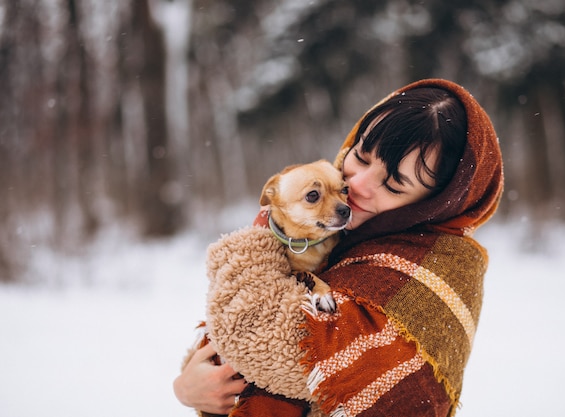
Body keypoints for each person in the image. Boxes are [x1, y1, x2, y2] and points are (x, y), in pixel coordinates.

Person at [174, 78, 504, 417]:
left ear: (435, 205)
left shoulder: (436, 271)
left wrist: (252, 246)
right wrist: (189, 386)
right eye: (360, 157)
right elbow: (225, 347)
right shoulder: (330, 235)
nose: (355, 185)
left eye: (392, 184)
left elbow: (273, 347)